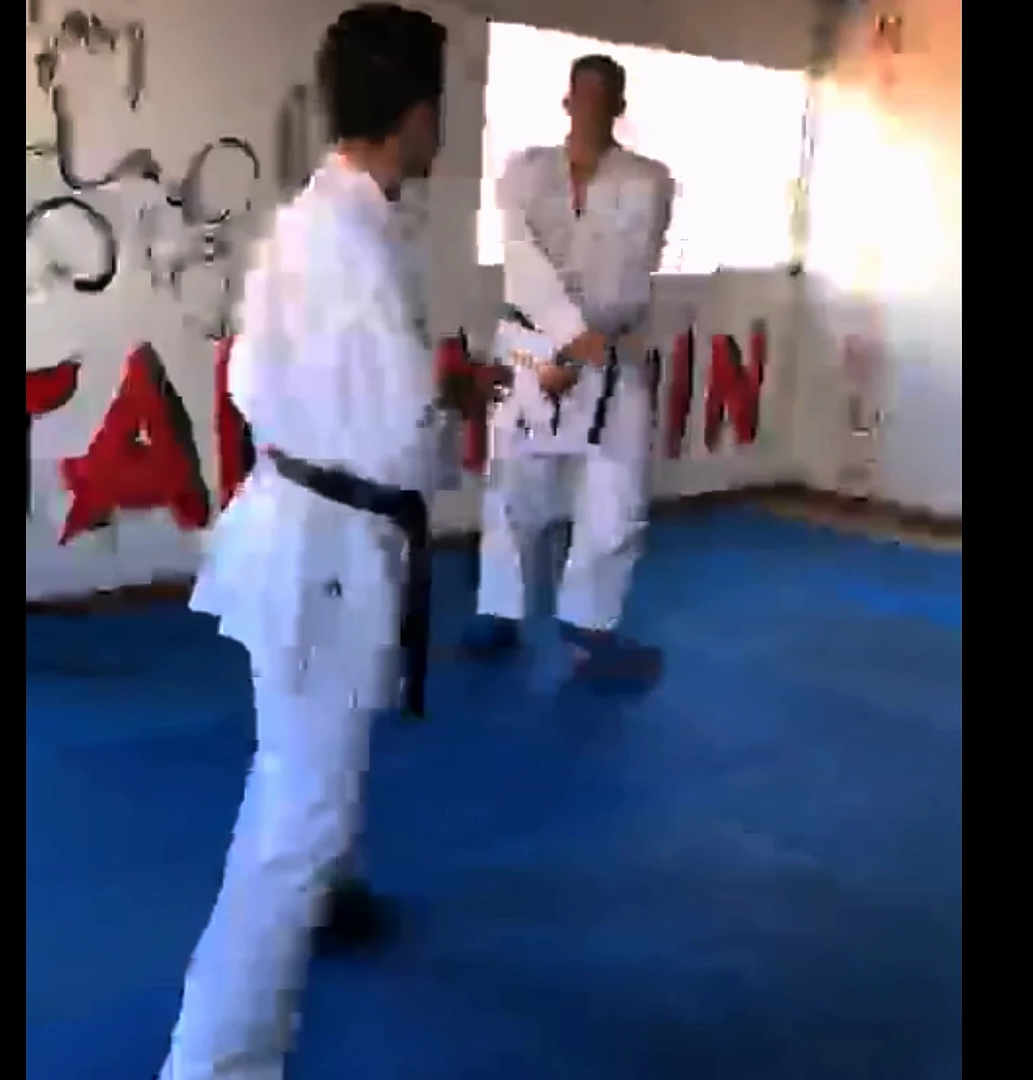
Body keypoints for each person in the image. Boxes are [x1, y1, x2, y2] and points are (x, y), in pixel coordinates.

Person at [158, 5, 455, 1078]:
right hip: (327, 552)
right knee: (296, 824)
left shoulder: (310, 216)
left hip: (292, 523)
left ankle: (330, 895)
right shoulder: (356, 245)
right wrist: (445, 414)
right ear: (416, 113)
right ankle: (212, 1064)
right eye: (439, 107)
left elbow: (253, 375)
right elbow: (404, 441)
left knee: (298, 776)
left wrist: (392, 405)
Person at [460, 54, 676, 687]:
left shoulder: (648, 181)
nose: (590, 107)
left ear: (619, 106)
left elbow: (629, 272)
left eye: (603, 97)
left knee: (618, 492)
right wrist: (564, 339)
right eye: (582, 95)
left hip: (612, 347)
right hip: (531, 346)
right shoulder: (524, 173)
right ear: (566, 101)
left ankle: (590, 622)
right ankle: (499, 611)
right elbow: (521, 258)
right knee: (512, 487)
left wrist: (583, 346)